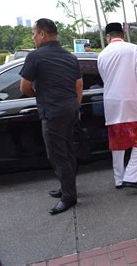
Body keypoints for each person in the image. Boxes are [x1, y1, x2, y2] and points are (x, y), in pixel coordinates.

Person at [19, 18, 83, 215]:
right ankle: (67, 188)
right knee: (68, 151)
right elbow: (79, 84)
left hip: (53, 112)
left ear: (42, 34)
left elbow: (24, 87)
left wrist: (41, 95)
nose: (33, 37)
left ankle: (69, 197)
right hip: (71, 110)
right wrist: (76, 105)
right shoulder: (70, 56)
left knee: (57, 155)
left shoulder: (35, 57)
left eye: (33, 33)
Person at [97, 23, 137, 190]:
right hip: (131, 100)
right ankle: (131, 176)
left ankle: (119, 179)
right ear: (122, 34)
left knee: (117, 142)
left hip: (111, 102)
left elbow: (104, 78)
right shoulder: (133, 49)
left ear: (108, 37)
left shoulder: (102, 54)